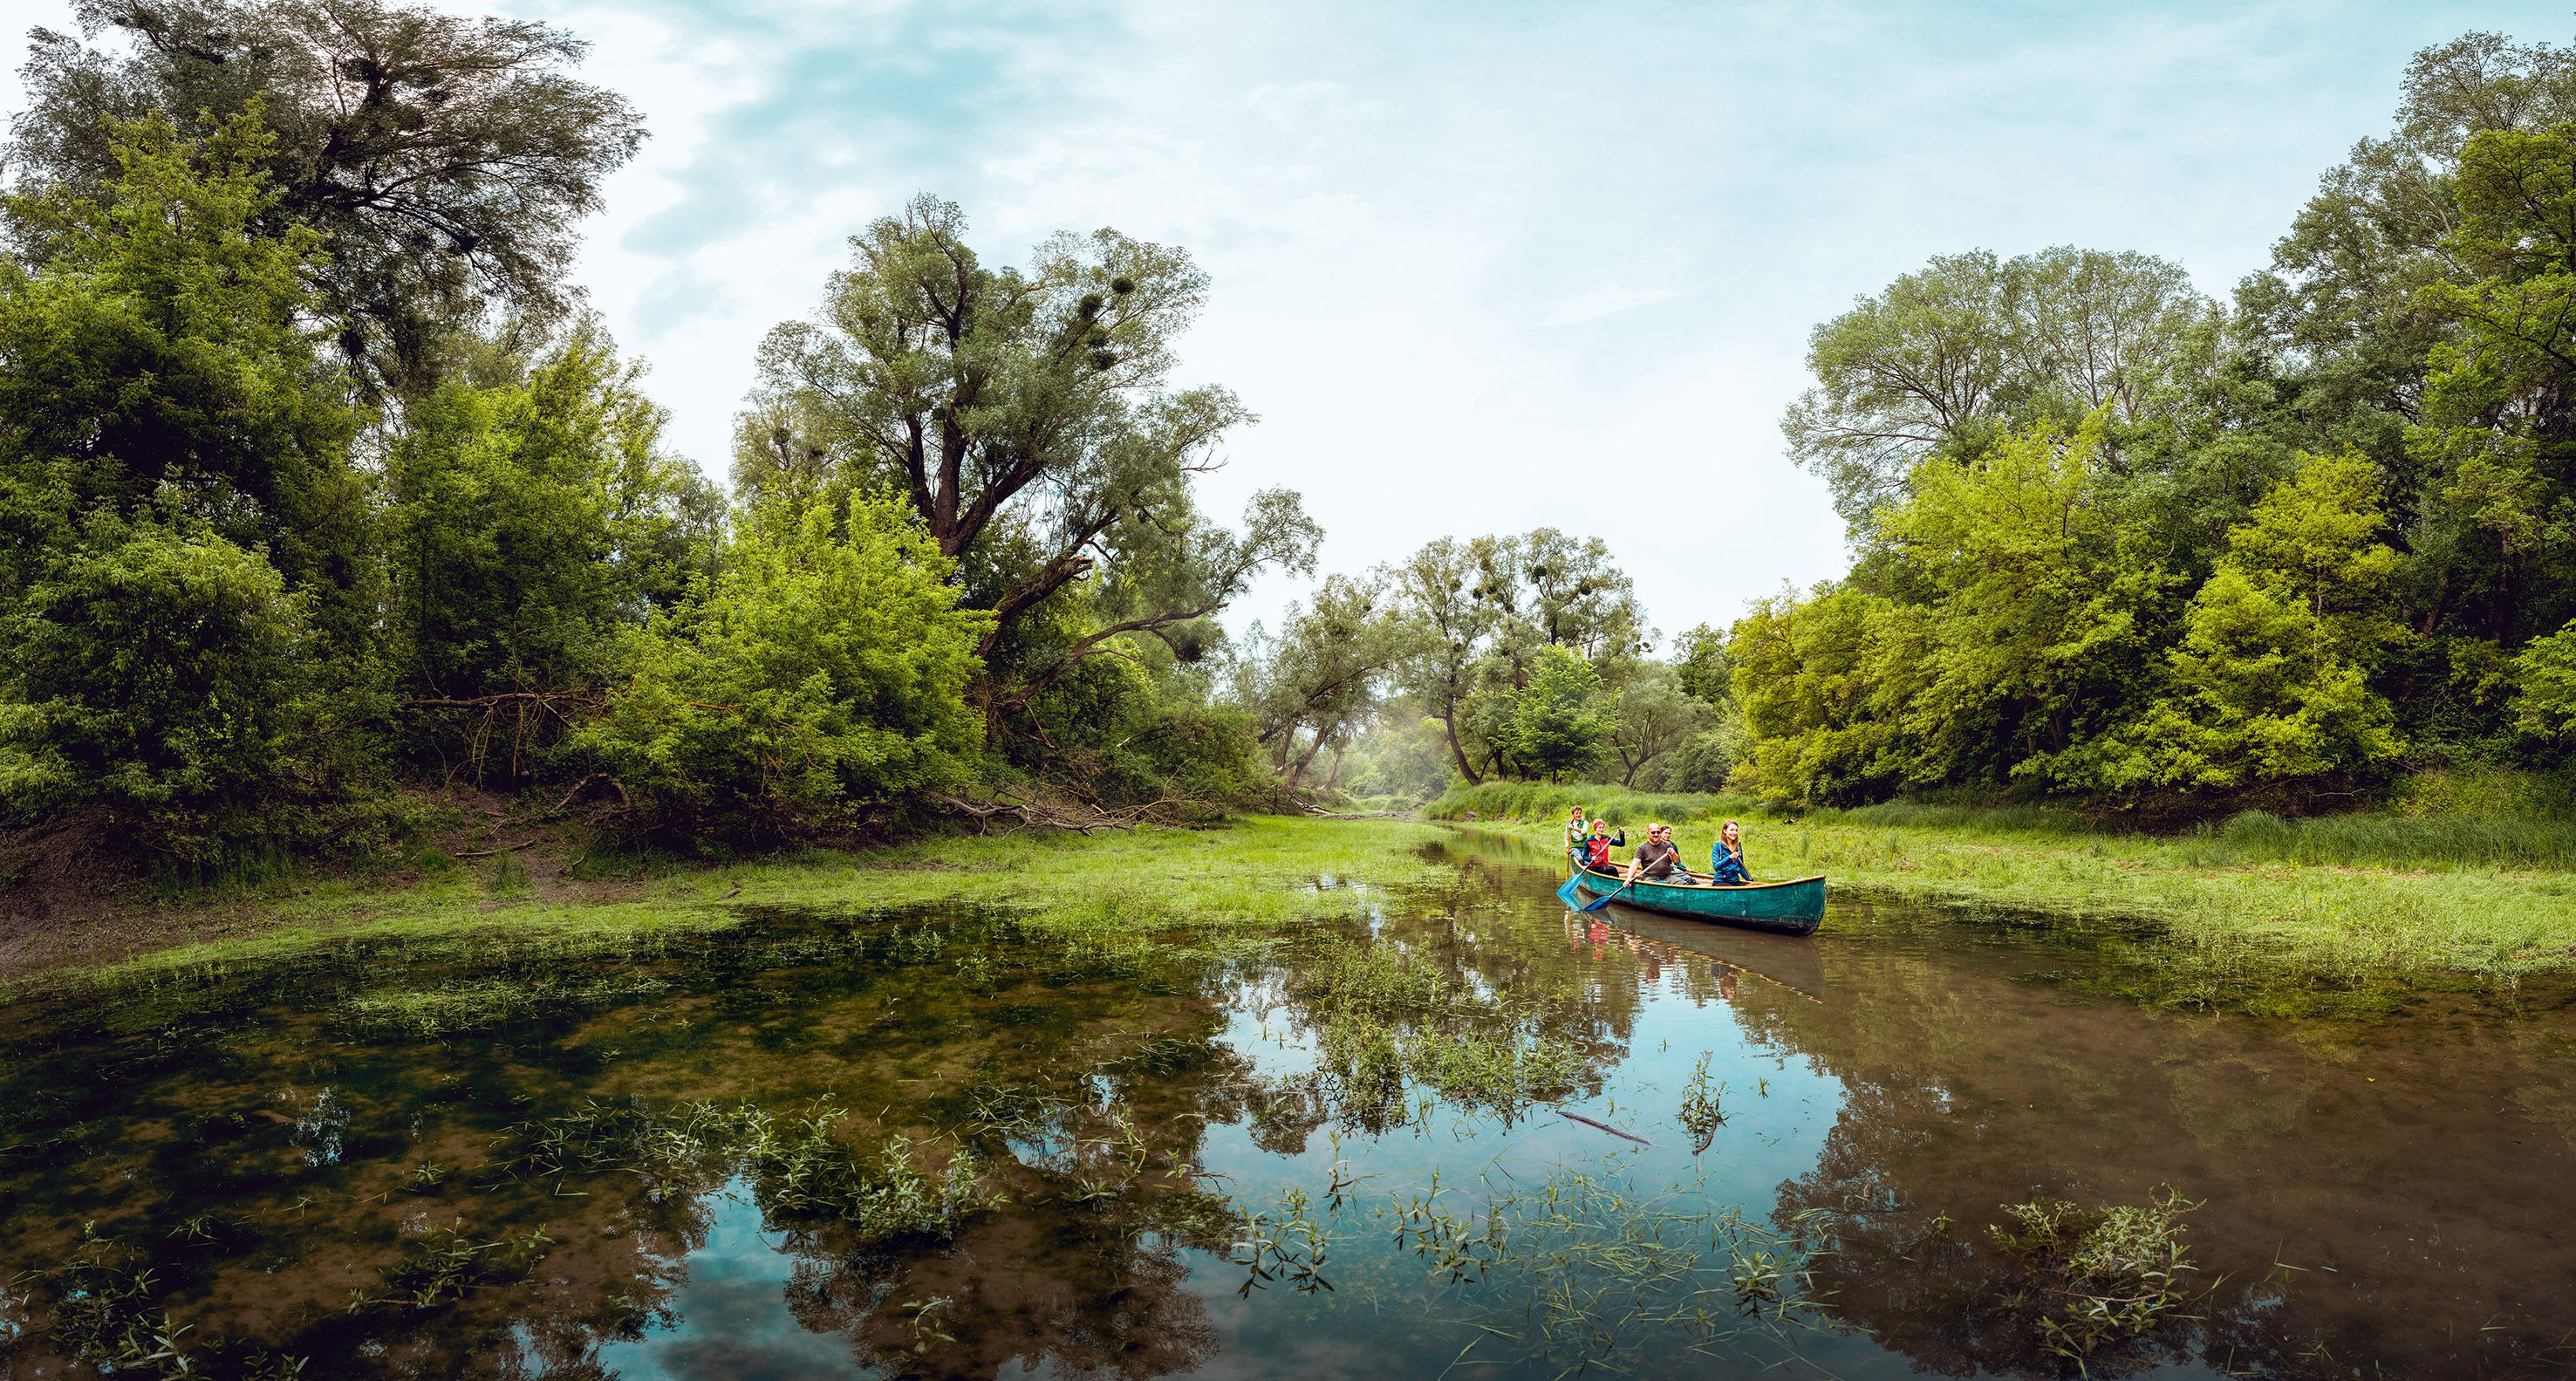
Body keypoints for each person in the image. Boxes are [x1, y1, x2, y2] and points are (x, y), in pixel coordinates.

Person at [1625, 822, 1693, 884]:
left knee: (1682, 884)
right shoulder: (1642, 848)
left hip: (1667, 876)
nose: (1656, 834)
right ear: (1648, 833)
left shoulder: (1668, 845)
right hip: (1650, 878)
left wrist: (1673, 854)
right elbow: (1635, 865)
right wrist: (1629, 878)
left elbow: (1676, 861)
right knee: (1652, 887)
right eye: (1653, 832)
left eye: (1658, 832)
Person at [1709, 818, 1753, 885]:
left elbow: (1741, 866)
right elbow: (1716, 866)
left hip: (1735, 881)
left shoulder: (1738, 846)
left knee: (1751, 888)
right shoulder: (1717, 846)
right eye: (1731, 830)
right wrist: (1729, 857)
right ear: (1725, 831)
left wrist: (1751, 882)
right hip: (1721, 881)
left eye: (1736, 830)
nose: (1734, 833)